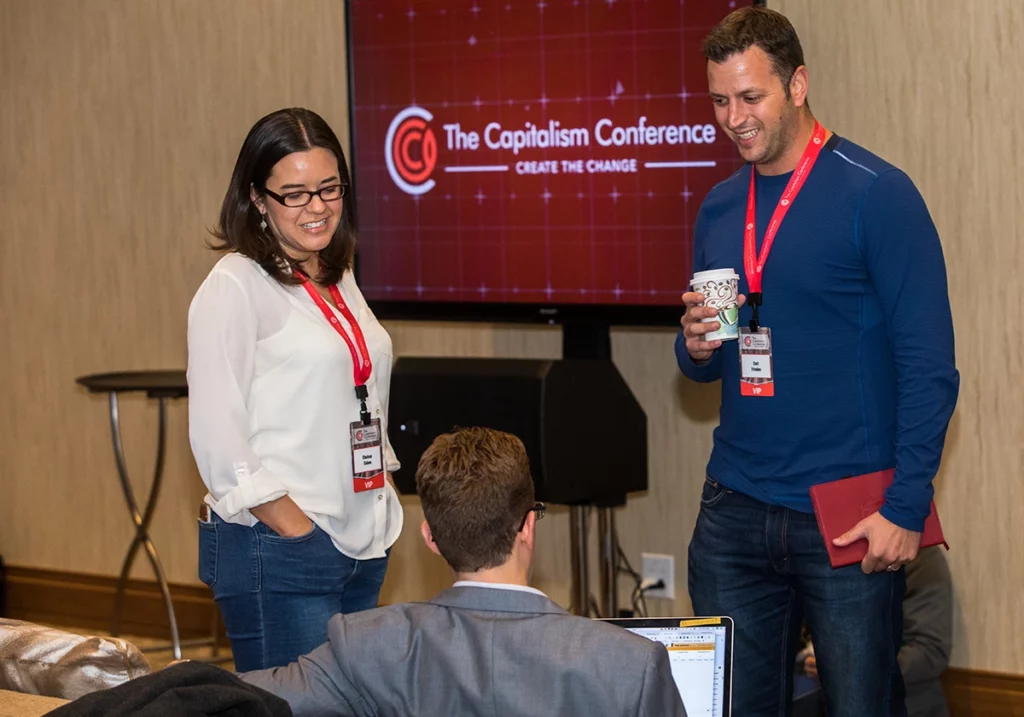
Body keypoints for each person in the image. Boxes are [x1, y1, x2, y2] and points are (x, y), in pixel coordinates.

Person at [676, 7, 959, 717]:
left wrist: (905, 505)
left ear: (798, 84)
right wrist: (697, 344)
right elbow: (710, 362)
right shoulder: (717, 208)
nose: (733, 118)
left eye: (751, 97)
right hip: (734, 510)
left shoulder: (877, 193)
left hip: (847, 518)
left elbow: (930, 367)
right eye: (719, 100)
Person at [239, 427, 688, 717]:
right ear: (528, 527)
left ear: (430, 538)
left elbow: (227, 698)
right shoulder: (632, 664)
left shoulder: (364, 647)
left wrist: (180, 670)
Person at [187, 107, 403, 671]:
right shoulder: (234, 285)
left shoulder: (337, 272)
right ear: (258, 198)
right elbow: (217, 438)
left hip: (361, 542)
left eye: (330, 188)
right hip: (282, 547)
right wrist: (296, 530)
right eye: (295, 193)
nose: (318, 207)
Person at [803, 547, 954, 717]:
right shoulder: (828, 547)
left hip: (906, 703)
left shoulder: (919, 555)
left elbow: (930, 650)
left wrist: (852, 667)